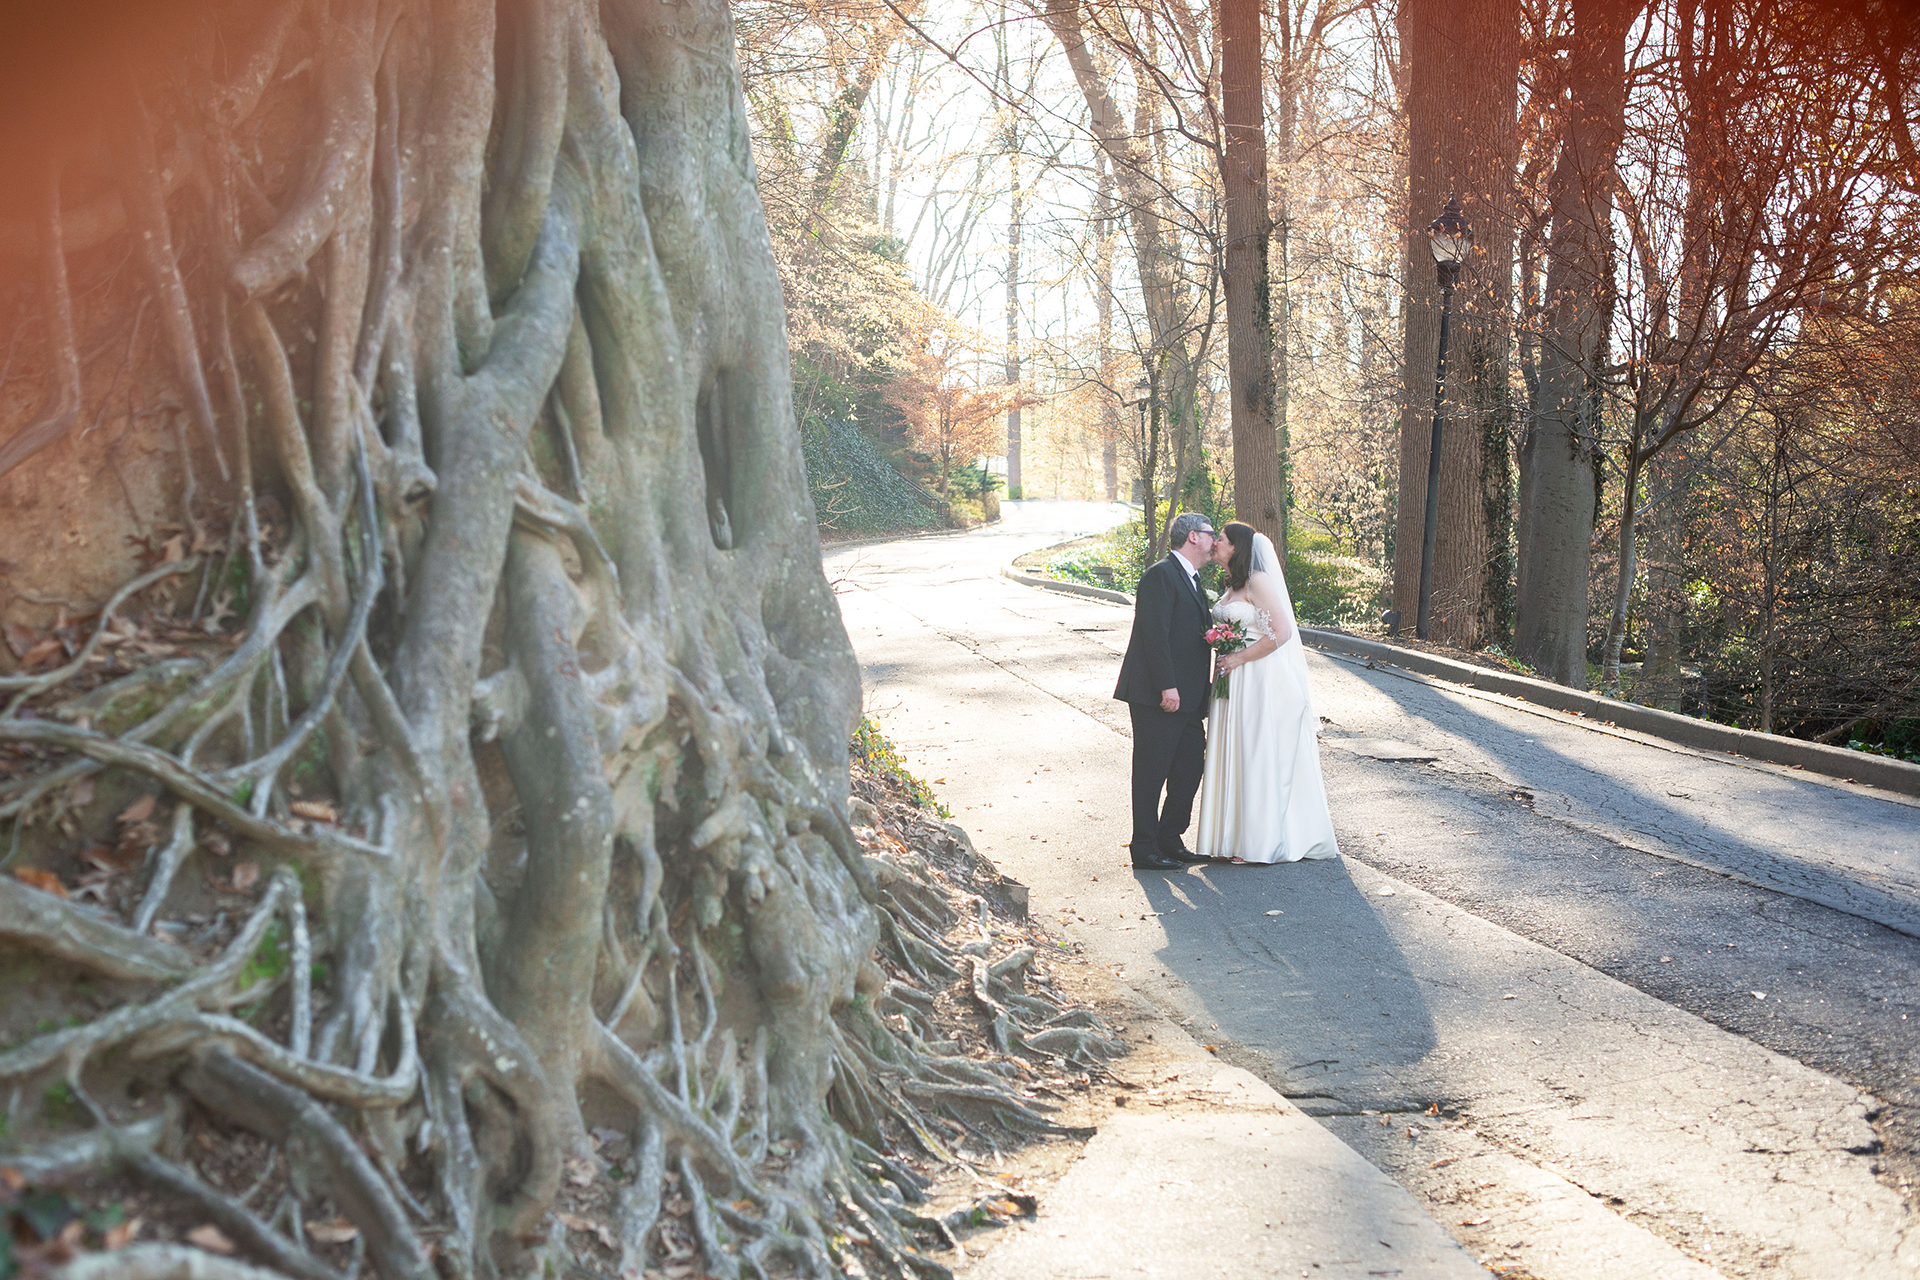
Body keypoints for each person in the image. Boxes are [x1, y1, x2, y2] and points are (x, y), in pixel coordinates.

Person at [1193, 522, 1340, 864]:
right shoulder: (1231, 585)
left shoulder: (1258, 580)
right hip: (1233, 679)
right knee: (1236, 751)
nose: (1216, 543)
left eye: (1223, 540)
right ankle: (1229, 838)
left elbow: (1282, 631)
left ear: (1238, 547)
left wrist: (1237, 658)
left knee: (1255, 752)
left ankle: (1258, 842)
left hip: (1259, 678)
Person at [1114, 512, 1218, 871]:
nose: (1214, 541)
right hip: (1157, 695)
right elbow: (1153, 635)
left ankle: (1170, 838)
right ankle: (1144, 847)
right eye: (1210, 534)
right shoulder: (1160, 575)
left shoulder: (1193, 580)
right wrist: (1167, 687)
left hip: (1189, 697)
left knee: (1190, 767)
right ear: (1192, 537)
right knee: (1150, 773)